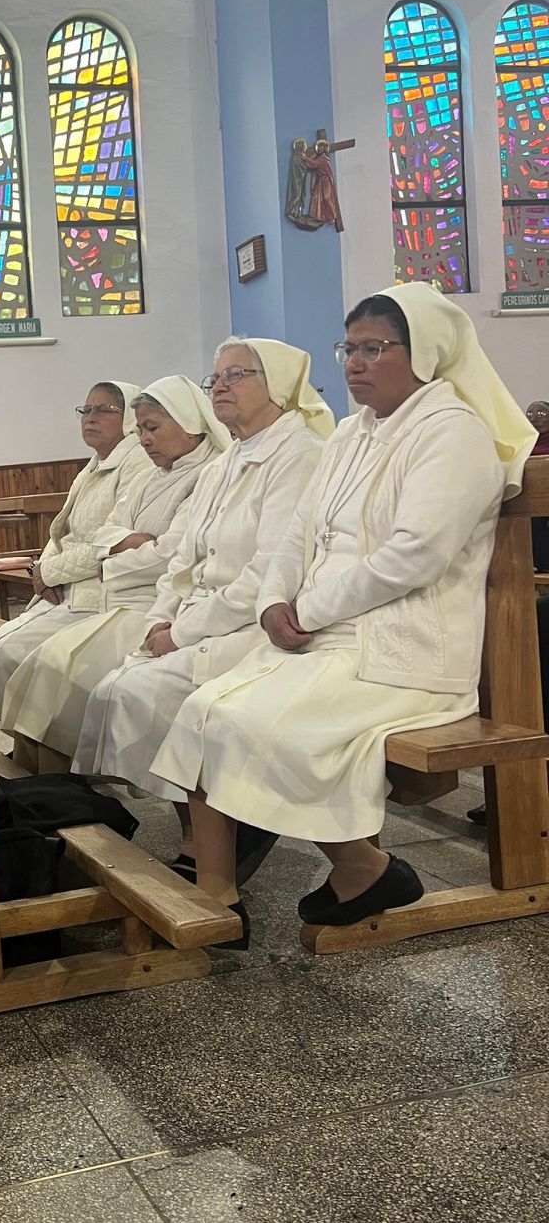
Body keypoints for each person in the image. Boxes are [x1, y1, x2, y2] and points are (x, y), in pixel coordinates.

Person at [152, 284, 536, 943]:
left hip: (403, 650)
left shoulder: (455, 433)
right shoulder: (352, 433)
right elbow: (295, 537)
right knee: (204, 707)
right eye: (349, 347)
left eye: (374, 348)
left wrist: (305, 608)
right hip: (326, 635)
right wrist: (275, 599)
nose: (354, 362)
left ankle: (363, 866)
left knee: (258, 723)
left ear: (427, 352)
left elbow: (415, 556)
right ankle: (218, 895)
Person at [72, 339, 333, 881]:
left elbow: (268, 572)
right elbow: (180, 561)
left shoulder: (300, 454)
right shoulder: (226, 461)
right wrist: (157, 624)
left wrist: (183, 630)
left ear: (277, 384)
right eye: (215, 377)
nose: (219, 386)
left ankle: (220, 834)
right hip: (195, 620)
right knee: (116, 688)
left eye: (236, 375)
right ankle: (206, 829)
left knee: (141, 692)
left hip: (253, 624)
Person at [0, 376, 230, 763]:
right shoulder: (147, 477)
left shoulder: (206, 474)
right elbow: (105, 533)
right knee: (41, 668)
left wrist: (119, 552)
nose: (143, 440)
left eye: (152, 428)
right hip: (116, 596)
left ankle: (66, 782)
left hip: (150, 603)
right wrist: (126, 542)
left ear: (189, 421)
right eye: (139, 429)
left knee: (58, 670)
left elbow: (168, 555)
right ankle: (36, 777)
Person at [0, 382, 150, 719]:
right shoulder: (93, 465)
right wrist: (42, 568)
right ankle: (30, 750)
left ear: (129, 418)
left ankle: (44, 754)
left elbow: (109, 542)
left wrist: (47, 572)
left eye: (103, 410)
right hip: (65, 586)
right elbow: (61, 532)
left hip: (98, 591)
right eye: (86, 410)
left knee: (14, 656)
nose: (90, 417)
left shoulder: (137, 463)